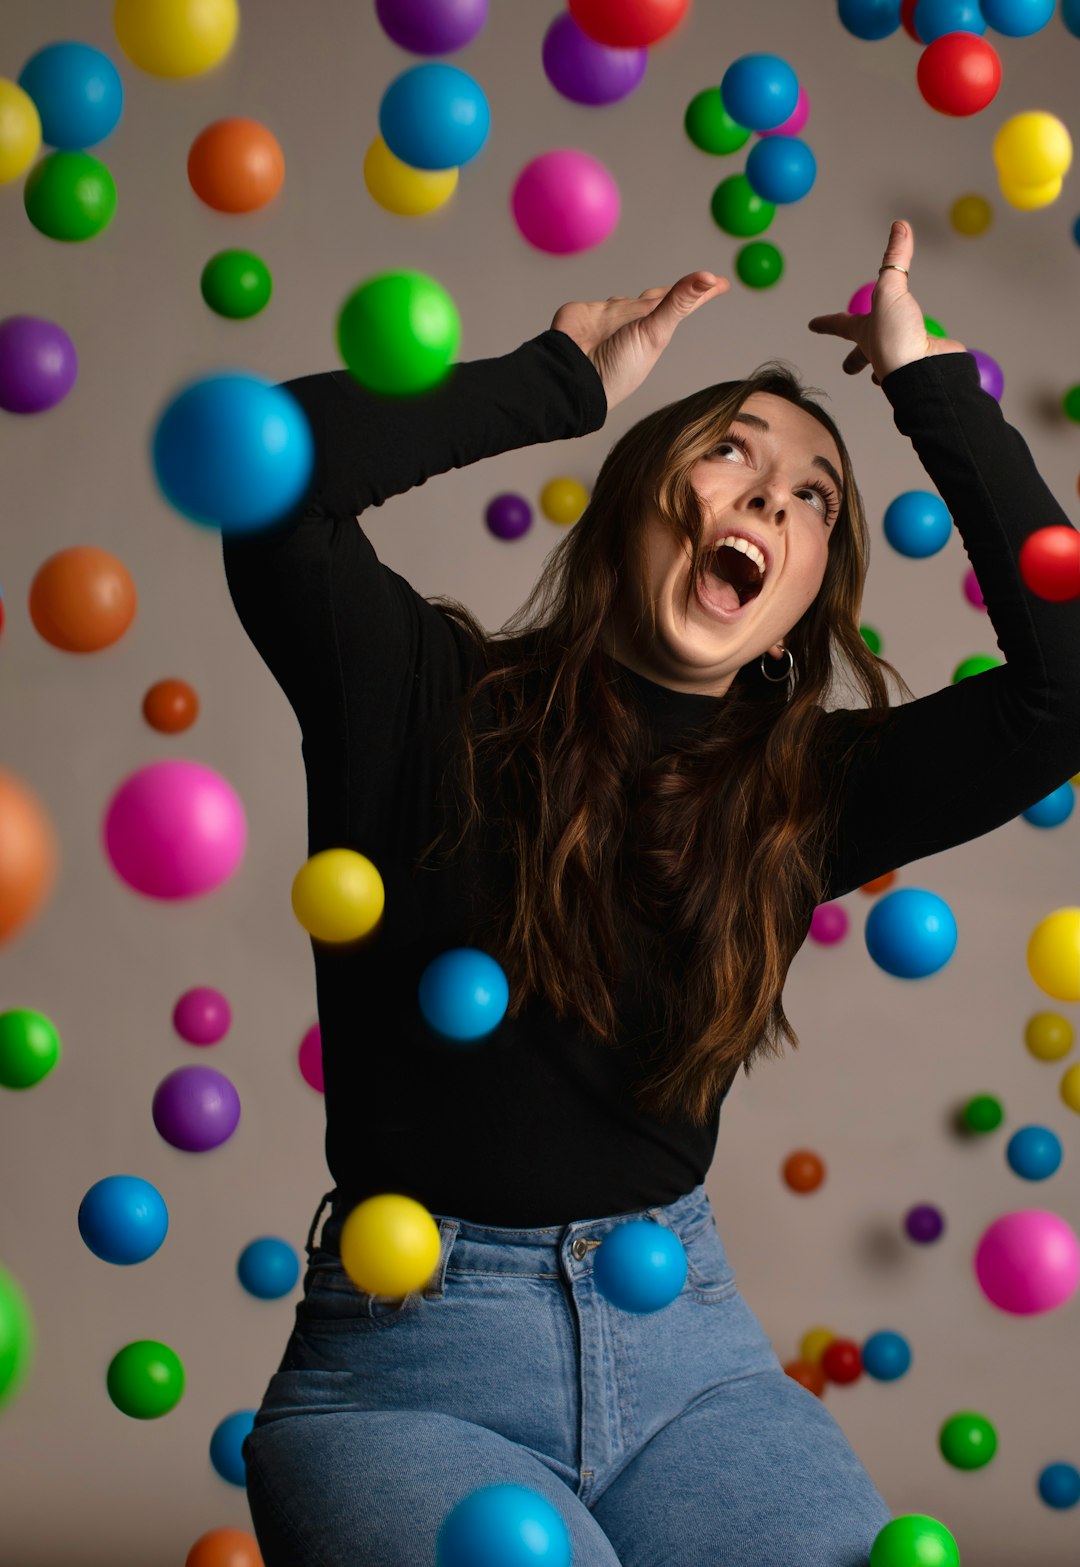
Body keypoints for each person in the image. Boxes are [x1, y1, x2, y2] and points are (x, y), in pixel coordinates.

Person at [222, 222, 1080, 1565]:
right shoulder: (425, 702)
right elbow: (270, 475)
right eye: (732, 452)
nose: (771, 500)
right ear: (634, 501)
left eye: (815, 500)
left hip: (694, 1369)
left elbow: (1065, 689)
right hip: (409, 1374)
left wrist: (931, 386)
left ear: (802, 612)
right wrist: (557, 379)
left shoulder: (800, 797)